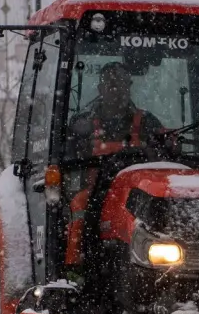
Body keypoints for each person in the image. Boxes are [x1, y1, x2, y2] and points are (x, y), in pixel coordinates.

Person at [64, 62, 174, 270]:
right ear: (101, 88)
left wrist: (165, 145)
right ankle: (76, 270)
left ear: (129, 86)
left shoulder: (147, 122)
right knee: (79, 209)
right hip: (96, 192)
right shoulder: (82, 124)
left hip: (139, 195)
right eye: (111, 84)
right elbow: (68, 161)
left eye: (121, 84)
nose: (116, 89)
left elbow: (164, 159)